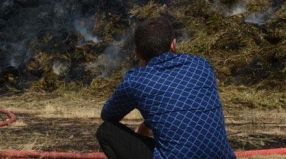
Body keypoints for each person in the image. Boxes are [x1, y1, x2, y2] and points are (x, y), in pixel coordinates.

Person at [96, 17, 235, 159]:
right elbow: (180, 100)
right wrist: (147, 122)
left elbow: (108, 115)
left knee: (105, 131)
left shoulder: (137, 80)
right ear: (173, 44)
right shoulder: (202, 65)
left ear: (137, 53)